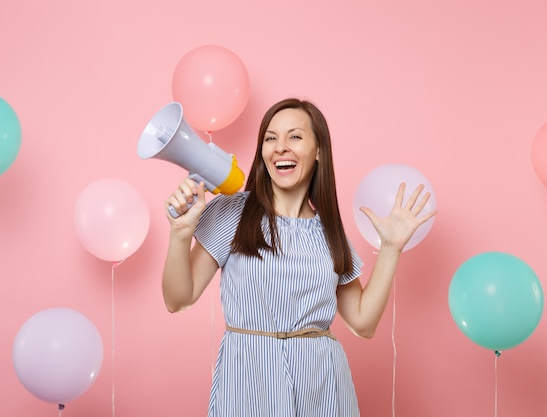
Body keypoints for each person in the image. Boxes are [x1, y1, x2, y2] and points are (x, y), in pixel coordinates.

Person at [162, 97, 436, 416]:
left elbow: (363, 323)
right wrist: (180, 233)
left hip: (321, 384)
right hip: (248, 381)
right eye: (270, 138)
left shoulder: (330, 233)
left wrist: (390, 248)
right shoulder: (232, 214)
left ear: (318, 150)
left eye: (294, 136)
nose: (280, 147)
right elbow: (177, 299)